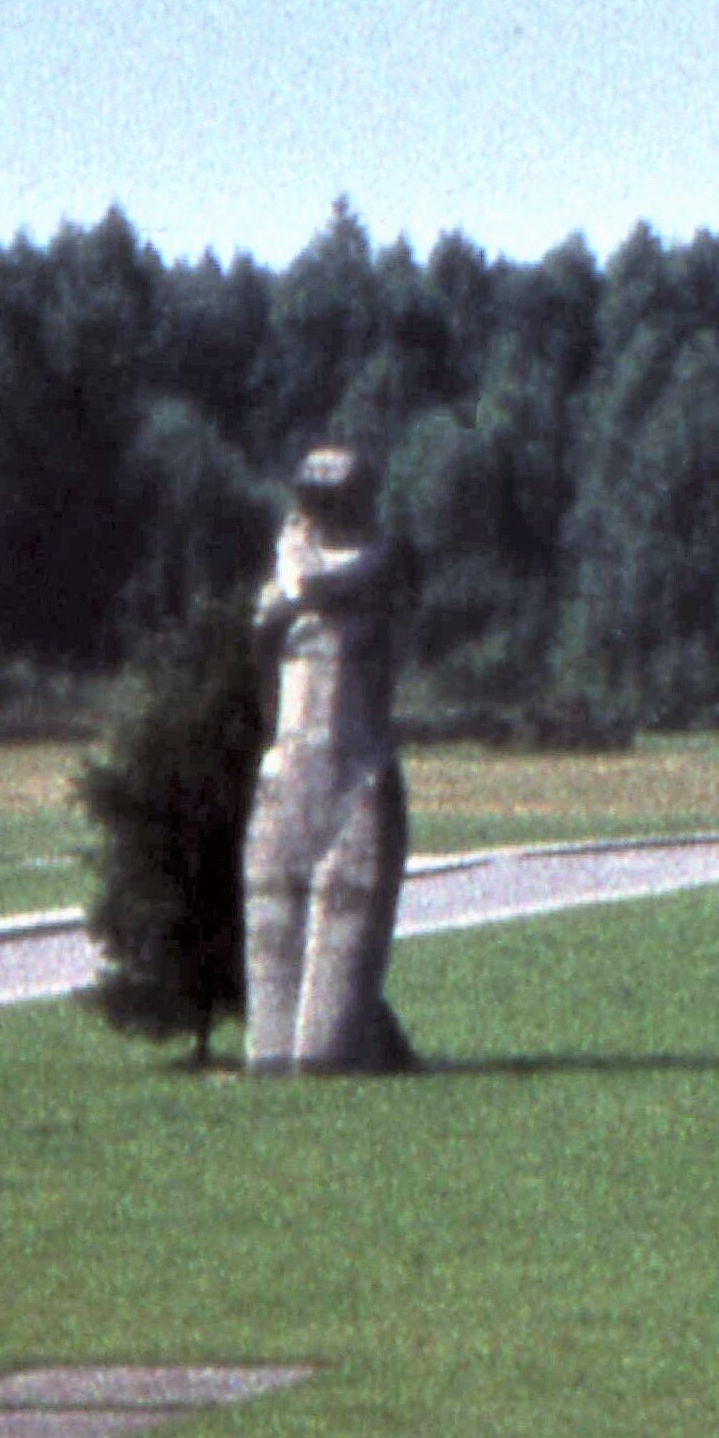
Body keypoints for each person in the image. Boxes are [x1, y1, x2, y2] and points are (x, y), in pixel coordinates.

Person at [239, 442, 415, 1074]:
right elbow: (266, 670)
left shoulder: (379, 569)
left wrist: (293, 580)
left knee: (326, 1049)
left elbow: (322, 585)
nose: (325, 508)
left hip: (356, 783)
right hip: (286, 786)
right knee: (270, 1049)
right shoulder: (282, 587)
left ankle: (368, 1048)